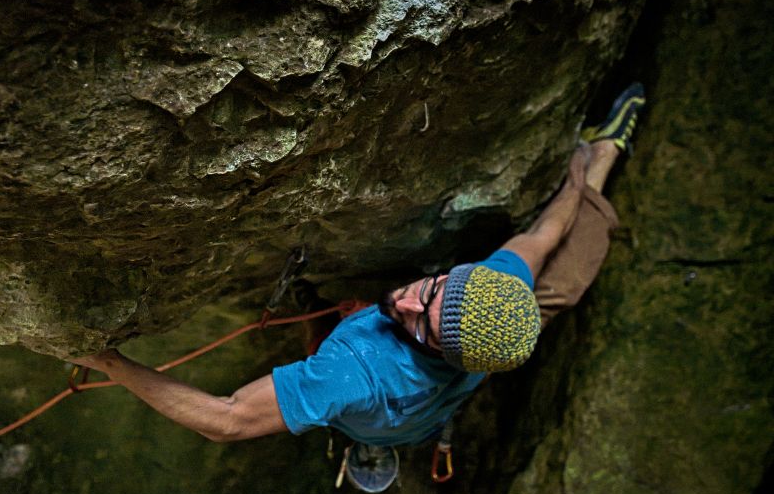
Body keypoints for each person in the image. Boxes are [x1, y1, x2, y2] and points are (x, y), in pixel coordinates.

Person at [72, 84, 646, 448]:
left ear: (447, 349)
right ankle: (607, 158)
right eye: (435, 286)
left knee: (549, 297)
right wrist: (580, 171)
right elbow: (544, 233)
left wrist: (113, 363)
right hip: (448, 386)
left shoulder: (354, 374)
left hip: (388, 423)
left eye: (422, 322)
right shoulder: (496, 295)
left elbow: (227, 421)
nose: (405, 300)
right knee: (559, 290)